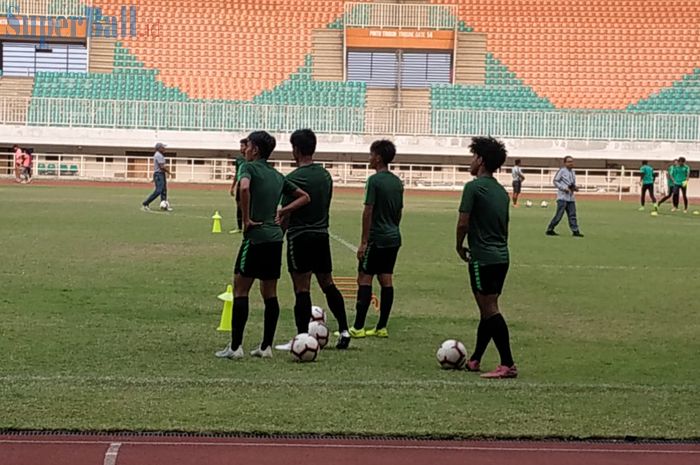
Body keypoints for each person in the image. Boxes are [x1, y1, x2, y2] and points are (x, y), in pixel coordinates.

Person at [215, 131, 310, 360]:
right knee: (270, 293)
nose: (244, 149)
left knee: (240, 288)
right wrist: (283, 211)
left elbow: (245, 188)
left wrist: (246, 219)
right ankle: (266, 346)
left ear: (255, 149)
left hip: (255, 237)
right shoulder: (277, 175)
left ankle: (236, 347)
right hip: (275, 239)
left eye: (247, 145)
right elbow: (304, 196)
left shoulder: (248, 168)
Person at [275, 129, 351, 350]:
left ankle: (301, 339)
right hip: (322, 235)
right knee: (328, 283)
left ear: (296, 149)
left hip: (300, 237)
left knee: (302, 288)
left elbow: (286, 215)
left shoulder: (293, 179)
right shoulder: (325, 175)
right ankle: (345, 330)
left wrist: (278, 238)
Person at [456, 136, 517, 379]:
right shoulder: (501, 192)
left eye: (473, 157)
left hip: (482, 258)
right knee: (486, 310)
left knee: (490, 310)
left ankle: (508, 364)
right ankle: (475, 359)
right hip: (501, 257)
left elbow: (463, 222)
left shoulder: (473, 188)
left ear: (480, 160)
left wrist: (459, 246)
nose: (471, 162)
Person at [350, 140, 403, 338]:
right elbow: (399, 212)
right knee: (386, 278)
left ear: (378, 157)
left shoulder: (374, 181)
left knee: (364, 277)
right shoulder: (397, 181)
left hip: (377, 238)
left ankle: (358, 327)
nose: (369, 158)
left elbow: (368, 211)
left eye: (371, 154)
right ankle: (381, 327)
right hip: (393, 237)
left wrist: (364, 241)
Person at [546, 156, 584, 237]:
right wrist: (563, 188)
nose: (571, 163)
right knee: (559, 215)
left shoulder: (573, 172)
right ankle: (550, 229)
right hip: (562, 198)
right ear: (565, 163)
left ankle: (575, 231)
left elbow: (571, 184)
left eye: (572, 161)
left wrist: (575, 188)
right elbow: (555, 181)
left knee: (572, 215)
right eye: (569, 162)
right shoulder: (562, 171)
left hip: (571, 198)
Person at [141, 143, 172, 211]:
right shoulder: (158, 155)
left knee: (164, 190)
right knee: (158, 190)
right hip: (159, 174)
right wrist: (168, 172)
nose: (164, 149)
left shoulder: (160, 155)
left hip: (160, 174)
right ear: (159, 148)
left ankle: (164, 205)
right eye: (163, 147)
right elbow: (162, 167)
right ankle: (145, 203)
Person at [228, 138, 247, 233]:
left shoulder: (251, 159)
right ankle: (239, 227)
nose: (241, 148)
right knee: (239, 205)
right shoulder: (239, 159)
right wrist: (232, 186)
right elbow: (237, 173)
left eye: (242, 146)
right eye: (240, 146)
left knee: (248, 205)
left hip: (249, 183)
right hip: (240, 183)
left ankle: (247, 225)